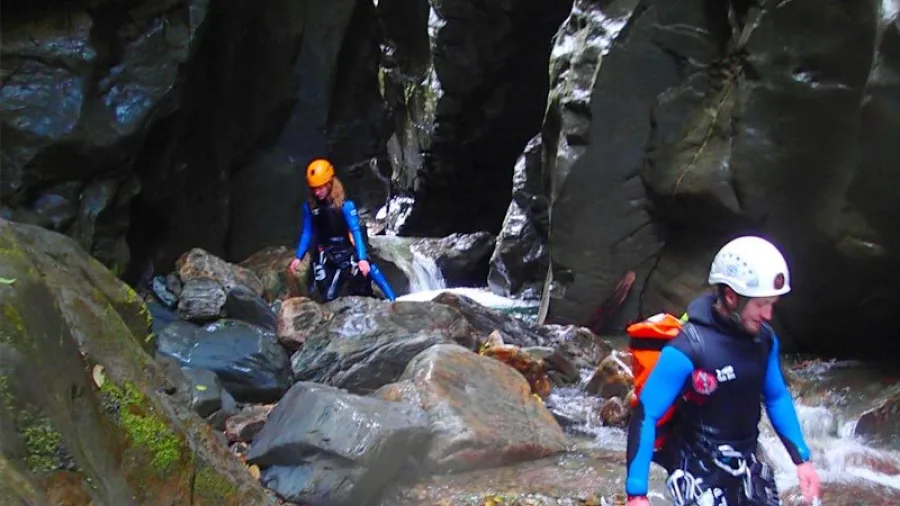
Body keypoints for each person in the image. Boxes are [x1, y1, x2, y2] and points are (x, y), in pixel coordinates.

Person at [624, 236, 821, 506]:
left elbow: (776, 397)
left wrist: (803, 460)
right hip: (698, 470)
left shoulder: (764, 341)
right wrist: (637, 493)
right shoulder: (688, 348)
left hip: (748, 462)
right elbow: (646, 414)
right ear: (731, 297)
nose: (768, 315)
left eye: (772, 305)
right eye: (761, 305)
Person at [288, 158, 397, 302]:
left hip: (345, 250)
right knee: (327, 294)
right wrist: (298, 257)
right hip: (325, 252)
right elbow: (307, 232)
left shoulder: (346, 206)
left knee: (371, 271)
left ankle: (394, 300)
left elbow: (356, 231)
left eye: (321, 187)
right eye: (314, 188)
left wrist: (362, 259)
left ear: (330, 184)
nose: (317, 192)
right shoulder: (309, 207)